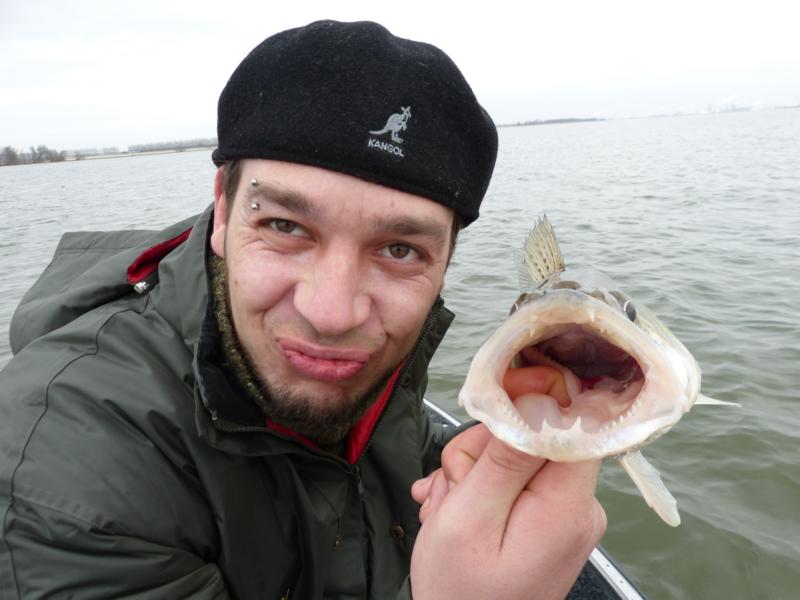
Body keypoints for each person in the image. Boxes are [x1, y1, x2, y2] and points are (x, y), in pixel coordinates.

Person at [0, 20, 605, 599]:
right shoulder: (63, 478)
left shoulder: (377, 365)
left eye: (399, 250)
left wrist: (513, 448)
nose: (332, 315)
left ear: (445, 259)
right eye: (285, 226)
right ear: (223, 211)